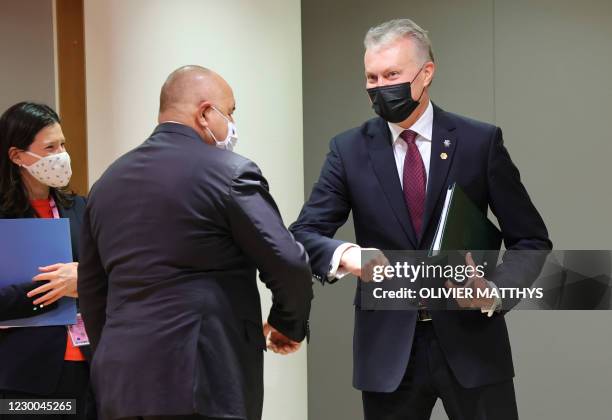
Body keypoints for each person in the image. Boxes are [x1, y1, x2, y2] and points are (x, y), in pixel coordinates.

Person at [290, 19, 552, 420]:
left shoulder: (478, 142)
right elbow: (305, 233)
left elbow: (531, 240)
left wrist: (495, 290)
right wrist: (346, 254)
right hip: (388, 355)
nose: (380, 86)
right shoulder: (348, 150)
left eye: (392, 74)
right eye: (371, 77)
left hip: (473, 348)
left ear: (425, 73)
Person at [77, 65, 313, 420]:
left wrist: (114, 353)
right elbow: (288, 262)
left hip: (121, 384)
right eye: (230, 112)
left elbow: (93, 291)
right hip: (203, 379)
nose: (232, 123)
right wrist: (287, 322)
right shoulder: (230, 174)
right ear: (205, 113)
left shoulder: (105, 185)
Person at [0, 102, 95, 420]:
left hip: (88, 368)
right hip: (24, 376)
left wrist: (86, 279)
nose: (62, 154)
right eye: (50, 147)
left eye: (63, 144)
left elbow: (112, 274)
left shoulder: (80, 207)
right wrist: (55, 289)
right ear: (16, 156)